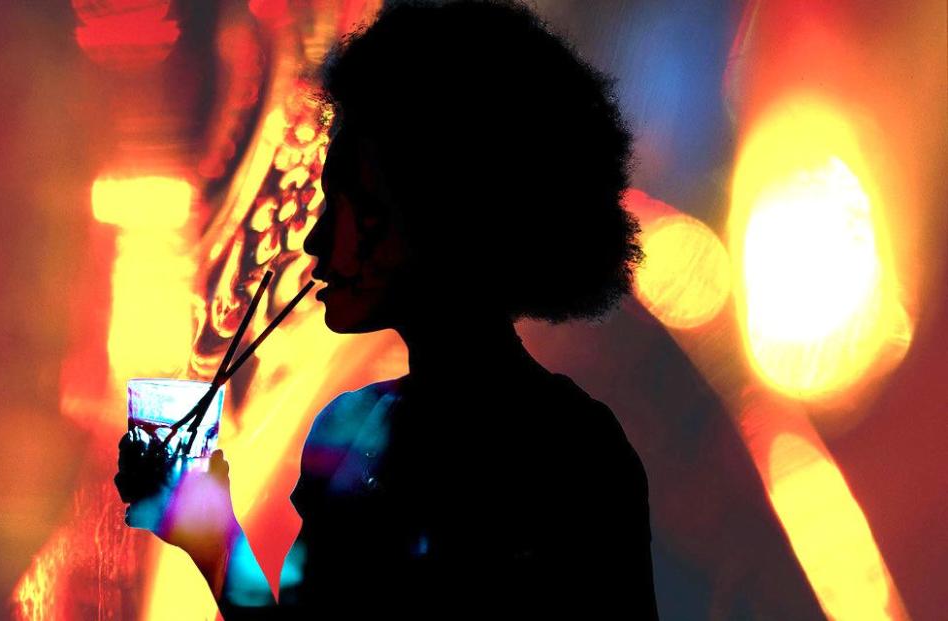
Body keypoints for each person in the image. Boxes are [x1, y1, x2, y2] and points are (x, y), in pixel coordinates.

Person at [115, 1, 657, 618]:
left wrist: (213, 538)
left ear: (451, 217)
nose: (317, 240)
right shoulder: (359, 429)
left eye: (359, 206)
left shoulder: (571, 456)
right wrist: (209, 535)